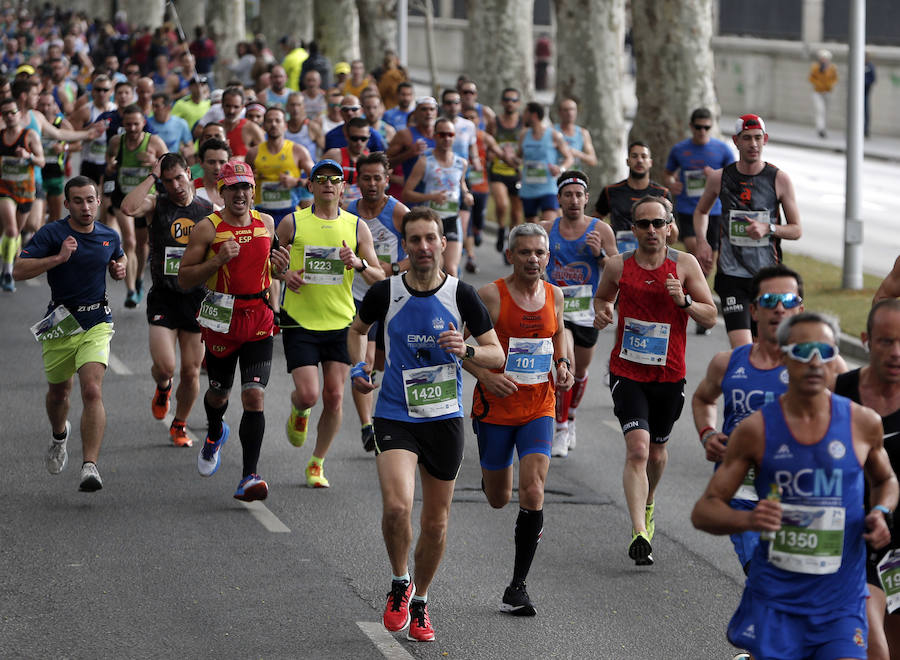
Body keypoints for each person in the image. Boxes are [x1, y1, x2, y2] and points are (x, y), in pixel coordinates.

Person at [691, 312, 898, 660]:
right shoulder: (756, 430)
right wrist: (751, 519)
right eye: (803, 351)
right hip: (778, 601)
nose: (815, 362)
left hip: (840, 602)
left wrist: (880, 511)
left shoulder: (864, 423)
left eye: (824, 351)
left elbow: (886, 479)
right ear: (784, 356)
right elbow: (705, 510)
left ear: (836, 358)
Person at [349, 207, 504, 642]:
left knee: (436, 523)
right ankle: (400, 582)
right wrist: (359, 367)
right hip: (395, 413)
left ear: (441, 242)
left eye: (429, 239)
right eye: (413, 240)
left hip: (444, 419)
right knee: (398, 507)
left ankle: (421, 600)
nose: (422, 247)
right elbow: (357, 329)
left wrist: (467, 350)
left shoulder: (462, 295)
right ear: (405, 244)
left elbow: (497, 354)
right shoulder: (385, 292)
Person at [594, 195, 717, 565]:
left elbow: (710, 317)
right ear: (633, 229)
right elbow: (602, 299)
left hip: (669, 374)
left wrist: (685, 304)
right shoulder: (617, 266)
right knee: (638, 449)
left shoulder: (686, 264)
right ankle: (639, 532)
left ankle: (648, 502)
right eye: (643, 224)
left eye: (657, 223)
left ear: (669, 227)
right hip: (627, 371)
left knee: (658, 452)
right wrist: (604, 312)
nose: (651, 230)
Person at [465, 222, 573, 616]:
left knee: (533, 490)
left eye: (539, 253)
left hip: (539, 406)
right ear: (510, 255)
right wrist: (486, 376)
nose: (532, 259)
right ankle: (491, 475)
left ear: (548, 257)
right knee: (498, 498)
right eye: (524, 252)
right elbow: (460, 347)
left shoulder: (555, 294)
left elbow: (558, 330)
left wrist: (561, 363)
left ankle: (518, 586)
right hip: (496, 409)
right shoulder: (490, 296)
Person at [177, 160, 290, 501]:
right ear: (222, 191)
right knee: (219, 394)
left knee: (253, 395)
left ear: (252, 191)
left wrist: (279, 277)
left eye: (245, 187)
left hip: (258, 316)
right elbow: (184, 278)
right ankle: (215, 432)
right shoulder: (207, 228)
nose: (240, 194)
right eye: (233, 188)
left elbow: (270, 269)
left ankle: (249, 476)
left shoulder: (267, 223)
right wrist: (215, 261)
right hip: (222, 318)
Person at [691, 264, 807, 574]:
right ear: (754, 311)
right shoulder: (728, 363)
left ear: (800, 309)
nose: (779, 309)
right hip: (743, 490)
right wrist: (707, 433)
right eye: (769, 302)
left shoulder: (822, 366)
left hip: (799, 491)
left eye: (787, 301)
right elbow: (703, 398)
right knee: (762, 570)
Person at [14, 176, 126, 491]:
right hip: (60, 321)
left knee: (92, 390)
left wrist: (120, 267)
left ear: (99, 202)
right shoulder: (53, 233)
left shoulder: (108, 235)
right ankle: (59, 436)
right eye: (78, 201)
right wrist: (58, 258)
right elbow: (18, 270)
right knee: (59, 393)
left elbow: (119, 256)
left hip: (97, 321)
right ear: (67, 204)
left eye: (90, 199)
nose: (85, 206)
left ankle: (89, 466)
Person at [277, 158, 383, 488]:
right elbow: (269, 266)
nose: (327, 183)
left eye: (334, 179)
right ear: (310, 185)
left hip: (341, 323)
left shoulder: (355, 226)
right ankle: (299, 410)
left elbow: (380, 275)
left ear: (341, 188)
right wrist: (283, 273)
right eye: (320, 178)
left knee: (335, 397)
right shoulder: (291, 222)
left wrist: (359, 262)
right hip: (300, 320)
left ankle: (317, 462)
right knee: (309, 395)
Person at [121, 153, 213, 447]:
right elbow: (127, 207)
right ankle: (163, 387)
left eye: (179, 178)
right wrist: (151, 176)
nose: (175, 185)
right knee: (165, 368)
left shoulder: (208, 210)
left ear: (189, 173)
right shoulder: (156, 204)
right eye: (168, 180)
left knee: (190, 370)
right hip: (164, 296)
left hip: (197, 298)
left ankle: (180, 423)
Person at [693, 114, 802, 348]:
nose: (753, 144)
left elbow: (796, 230)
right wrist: (702, 241)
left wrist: (768, 228)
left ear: (766, 140)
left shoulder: (779, 179)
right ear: (736, 141)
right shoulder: (720, 178)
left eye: (757, 138)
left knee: (767, 346)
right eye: (747, 138)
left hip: (767, 278)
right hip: (732, 276)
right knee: (743, 349)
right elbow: (701, 211)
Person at [834, 300, 900, 659]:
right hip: (850, 539)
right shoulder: (835, 394)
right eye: (886, 341)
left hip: (898, 545)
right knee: (873, 645)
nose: (896, 352)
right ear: (866, 341)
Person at [541, 170, 616, 456]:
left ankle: (570, 417)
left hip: (587, 311)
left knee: (581, 372)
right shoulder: (547, 229)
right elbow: (528, 254)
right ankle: (560, 429)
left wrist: (599, 255)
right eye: (567, 195)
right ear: (559, 198)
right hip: (558, 311)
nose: (573, 200)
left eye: (578, 195)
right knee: (566, 363)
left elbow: (615, 268)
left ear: (586, 198)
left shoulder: (601, 230)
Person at [346, 151, 410, 452]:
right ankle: (367, 425)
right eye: (366, 178)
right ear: (357, 180)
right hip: (358, 296)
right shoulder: (347, 212)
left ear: (387, 179)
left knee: (384, 363)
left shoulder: (398, 212)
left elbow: (422, 249)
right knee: (366, 361)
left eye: (377, 178)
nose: (372, 184)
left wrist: (393, 268)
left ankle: (382, 409)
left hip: (393, 296)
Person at [663, 108, 734, 335]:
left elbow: (734, 176)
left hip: (714, 211)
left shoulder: (721, 149)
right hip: (686, 208)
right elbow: (667, 173)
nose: (703, 131)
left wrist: (714, 174)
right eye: (699, 127)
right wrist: (672, 183)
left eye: (707, 127)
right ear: (691, 126)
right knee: (696, 254)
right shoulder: (680, 149)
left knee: (708, 262)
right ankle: (698, 304)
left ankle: (698, 303)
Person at [105, 104, 168, 308]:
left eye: (136, 124)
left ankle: (139, 277)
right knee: (129, 242)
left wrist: (153, 161)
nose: (132, 128)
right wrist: (112, 165)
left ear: (143, 124)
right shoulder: (117, 141)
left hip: (145, 202)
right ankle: (131, 290)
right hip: (122, 198)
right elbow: (108, 161)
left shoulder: (154, 142)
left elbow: (169, 165)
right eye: (128, 124)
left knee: (142, 245)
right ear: (123, 124)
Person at [402, 116, 472, 277]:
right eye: (442, 134)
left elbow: (461, 184)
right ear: (434, 136)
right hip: (431, 221)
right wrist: (431, 196)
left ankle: (453, 302)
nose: (446, 138)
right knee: (436, 268)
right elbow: (407, 193)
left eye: (450, 135)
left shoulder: (461, 163)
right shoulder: (425, 162)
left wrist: (467, 194)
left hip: (452, 219)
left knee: (452, 269)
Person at [595, 141, 675, 255]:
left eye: (644, 156)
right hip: (619, 255)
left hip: (652, 255)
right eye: (634, 156)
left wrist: (669, 215)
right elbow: (595, 222)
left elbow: (673, 238)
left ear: (650, 162)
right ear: (627, 161)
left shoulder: (662, 193)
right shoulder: (611, 191)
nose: (639, 160)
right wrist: (606, 238)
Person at [0, 95, 44, 291]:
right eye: (5, 113)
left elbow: (42, 161)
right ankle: (8, 272)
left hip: (25, 191)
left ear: (19, 114)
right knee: (10, 229)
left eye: (13, 112)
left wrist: (29, 156)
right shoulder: (0, 136)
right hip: (4, 189)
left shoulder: (29, 136)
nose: (9, 116)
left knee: (16, 232)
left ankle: (7, 265)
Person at [246, 106, 313, 228]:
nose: (273, 124)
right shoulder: (253, 153)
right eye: (269, 121)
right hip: (261, 212)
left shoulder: (298, 151)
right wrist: (251, 181)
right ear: (264, 126)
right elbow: (243, 186)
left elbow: (318, 181)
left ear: (285, 125)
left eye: (278, 120)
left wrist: (296, 181)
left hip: (290, 212)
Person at [518, 101, 572, 224]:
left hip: (548, 188)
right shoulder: (523, 135)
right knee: (531, 226)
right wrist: (509, 156)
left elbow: (569, 158)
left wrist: (560, 169)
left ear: (534, 115)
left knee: (549, 223)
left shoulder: (554, 135)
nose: (523, 115)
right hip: (528, 188)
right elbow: (518, 158)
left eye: (525, 112)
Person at [488, 88, 523, 253]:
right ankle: (501, 228)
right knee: (502, 204)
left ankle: (511, 242)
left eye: (514, 100)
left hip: (517, 172)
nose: (510, 103)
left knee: (516, 215)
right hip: (498, 170)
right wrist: (494, 154)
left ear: (519, 103)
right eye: (507, 99)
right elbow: (488, 143)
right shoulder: (495, 122)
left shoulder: (524, 123)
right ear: (502, 102)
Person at [322, 117, 371, 208]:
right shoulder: (334, 155)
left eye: (363, 139)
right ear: (346, 136)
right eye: (354, 138)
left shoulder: (371, 160)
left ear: (368, 137)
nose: (359, 142)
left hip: (361, 210)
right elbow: (317, 180)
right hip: (336, 208)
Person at [147, 92, 195, 162]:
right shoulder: (147, 123)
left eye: (157, 106)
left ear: (168, 108)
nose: (154, 110)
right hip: (153, 163)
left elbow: (190, 146)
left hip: (173, 163)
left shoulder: (181, 123)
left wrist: (186, 151)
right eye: (153, 106)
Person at [220, 87, 263, 161]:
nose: (231, 111)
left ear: (242, 107)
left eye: (236, 107)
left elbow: (264, 155)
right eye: (228, 106)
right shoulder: (216, 128)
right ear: (222, 105)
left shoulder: (251, 128)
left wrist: (244, 159)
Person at [554, 98, 597, 169]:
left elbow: (593, 160)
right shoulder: (552, 131)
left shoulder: (583, 133)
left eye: (572, 109)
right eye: (566, 110)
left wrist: (577, 153)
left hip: (575, 177)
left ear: (576, 111)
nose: (569, 113)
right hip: (556, 176)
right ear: (559, 112)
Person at [193, 137, 230, 211]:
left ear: (229, 163)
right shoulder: (191, 190)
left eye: (222, 162)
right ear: (201, 162)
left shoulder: (237, 189)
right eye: (211, 162)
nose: (217, 167)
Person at [809, 49, 838, 139]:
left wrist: (830, 85)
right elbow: (811, 78)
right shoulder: (816, 68)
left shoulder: (832, 68)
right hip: (818, 92)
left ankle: (824, 127)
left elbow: (835, 79)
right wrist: (819, 84)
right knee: (820, 110)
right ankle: (820, 129)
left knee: (825, 111)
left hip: (827, 92)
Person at [865, 53, 876, 139]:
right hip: (859, 93)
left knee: (866, 111)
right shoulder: (858, 65)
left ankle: (866, 130)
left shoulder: (870, 66)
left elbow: (873, 79)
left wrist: (865, 83)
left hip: (865, 92)